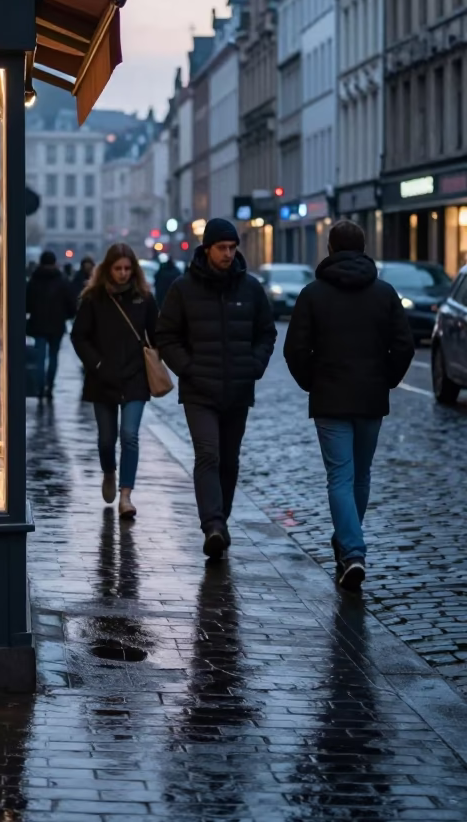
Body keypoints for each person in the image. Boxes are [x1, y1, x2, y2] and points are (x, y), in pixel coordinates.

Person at [283, 219, 414, 591]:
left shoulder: (313, 294)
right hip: (371, 397)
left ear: (329, 248)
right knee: (360, 474)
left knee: (340, 476)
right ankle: (349, 542)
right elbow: (404, 345)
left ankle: (352, 550)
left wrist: (312, 381)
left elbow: (294, 349)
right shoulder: (384, 293)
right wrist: (386, 378)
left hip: (330, 397)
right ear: (363, 247)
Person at [156, 218, 276, 558]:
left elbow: (266, 332)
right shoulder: (183, 288)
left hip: (238, 389)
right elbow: (166, 335)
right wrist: (188, 369)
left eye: (232, 248)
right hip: (199, 391)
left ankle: (221, 519)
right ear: (207, 249)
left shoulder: (250, 288)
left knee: (229, 460)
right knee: (208, 454)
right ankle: (212, 525)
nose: (228, 254)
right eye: (222, 248)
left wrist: (254, 366)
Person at [71, 243, 158, 519]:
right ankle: (109, 471)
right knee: (107, 440)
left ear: (134, 270)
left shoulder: (144, 298)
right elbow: (79, 336)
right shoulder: (94, 298)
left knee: (129, 435)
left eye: (127, 268)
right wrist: (97, 364)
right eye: (118, 268)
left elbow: (157, 333)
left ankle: (126, 495)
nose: (123, 273)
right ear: (108, 269)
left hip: (135, 377)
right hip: (103, 378)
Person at [26, 251, 75, 400]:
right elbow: (71, 304)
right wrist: (65, 316)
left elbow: (27, 303)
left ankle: (40, 387)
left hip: (38, 324)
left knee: (40, 357)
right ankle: (50, 385)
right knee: (54, 356)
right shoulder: (62, 280)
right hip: (57, 325)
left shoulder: (34, 280)